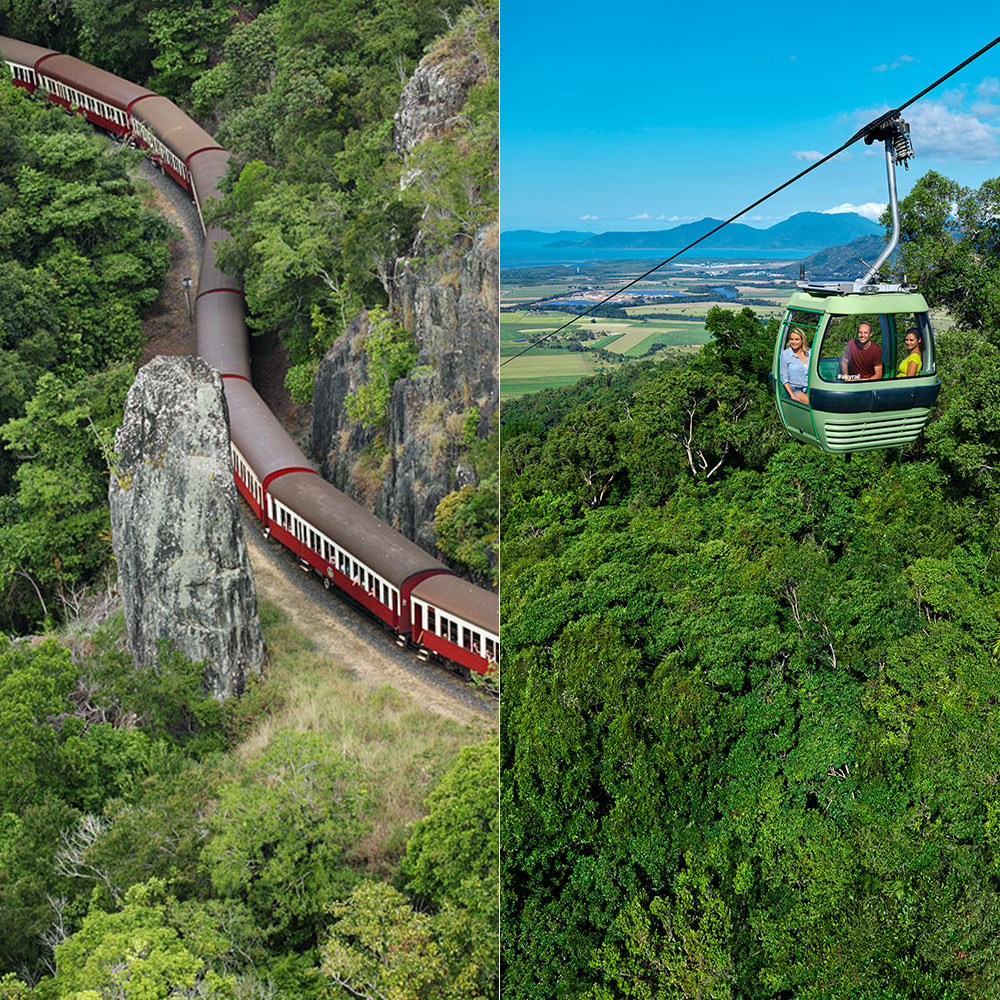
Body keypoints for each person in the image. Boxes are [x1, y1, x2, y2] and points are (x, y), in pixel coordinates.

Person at [779, 326, 810, 403]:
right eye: (791, 339)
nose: (793, 342)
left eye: (796, 339)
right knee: (811, 402)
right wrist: (792, 395)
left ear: (802, 340)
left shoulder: (810, 353)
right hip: (795, 389)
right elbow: (784, 377)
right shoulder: (786, 354)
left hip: (809, 387)